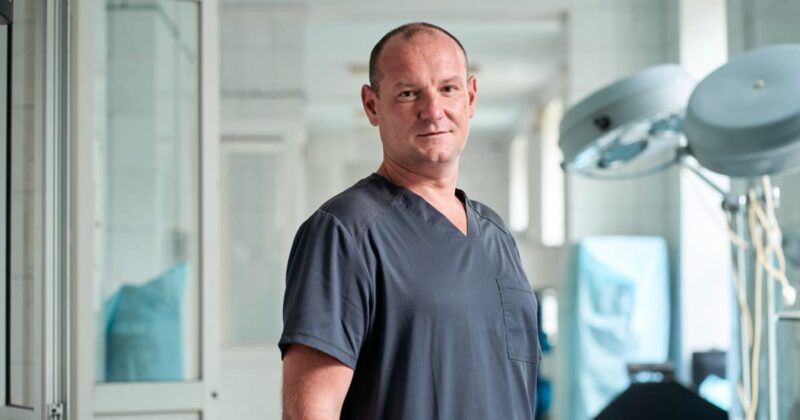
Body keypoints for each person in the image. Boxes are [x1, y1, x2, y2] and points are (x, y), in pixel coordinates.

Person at [279, 22, 541, 419]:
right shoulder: (345, 232)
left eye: (448, 89)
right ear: (372, 105)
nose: (433, 111)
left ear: (470, 97)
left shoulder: (496, 234)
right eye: (408, 93)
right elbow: (309, 413)